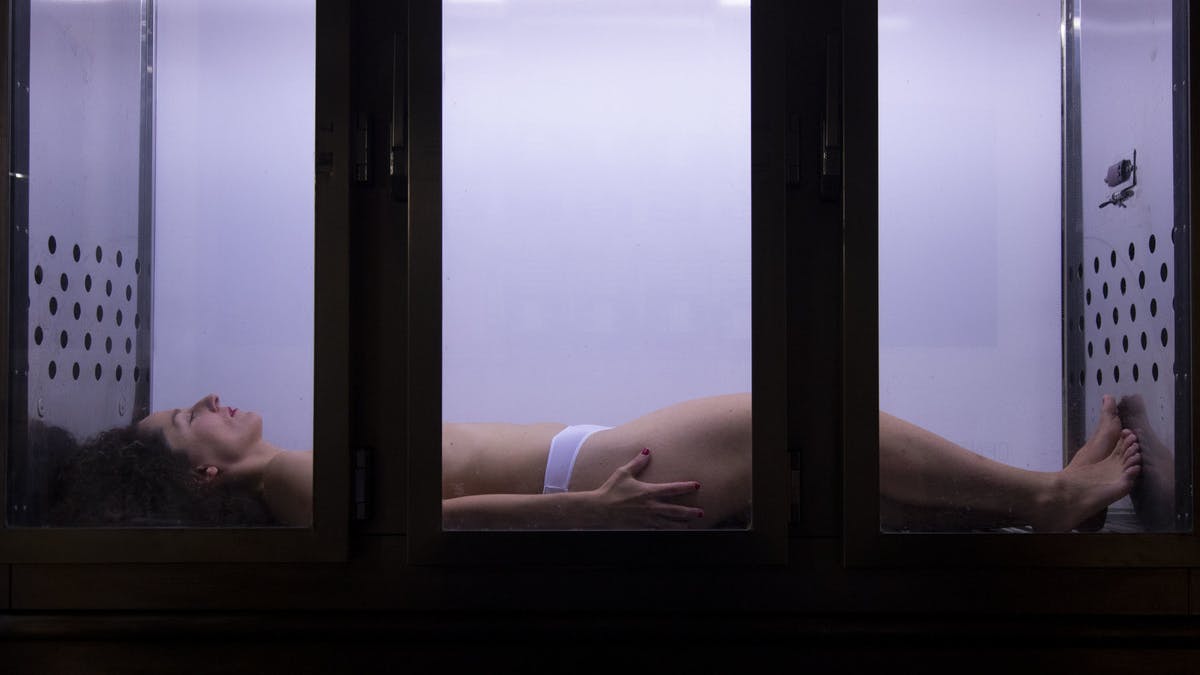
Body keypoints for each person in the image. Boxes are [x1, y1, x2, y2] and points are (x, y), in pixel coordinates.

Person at [55, 391, 1142, 531]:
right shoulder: (287, 482)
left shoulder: (292, 473)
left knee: (811, 470)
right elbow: (428, 529)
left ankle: (1037, 501)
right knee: (797, 416)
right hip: (584, 476)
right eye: (184, 421)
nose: (207, 403)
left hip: (584, 466)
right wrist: (582, 511)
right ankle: (1048, 495)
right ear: (202, 474)